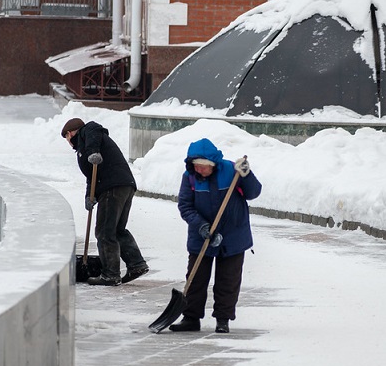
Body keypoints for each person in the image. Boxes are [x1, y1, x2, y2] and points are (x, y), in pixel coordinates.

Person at [170, 138, 261, 333]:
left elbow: (253, 193)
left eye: (204, 167)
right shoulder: (190, 177)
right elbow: (185, 206)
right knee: (195, 279)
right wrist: (202, 226)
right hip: (201, 235)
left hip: (233, 234)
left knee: (228, 280)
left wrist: (246, 174)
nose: (200, 170)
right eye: (197, 166)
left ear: (213, 165)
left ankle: (223, 319)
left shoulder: (231, 171)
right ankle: (191, 318)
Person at [61, 118, 149, 286]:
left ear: (71, 133)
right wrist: (89, 195)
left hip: (113, 187)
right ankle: (136, 264)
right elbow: (91, 175)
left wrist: (94, 151)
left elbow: (93, 132)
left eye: (66, 137)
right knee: (117, 230)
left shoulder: (89, 132)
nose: (68, 141)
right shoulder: (84, 146)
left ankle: (110, 274)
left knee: (104, 231)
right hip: (123, 184)